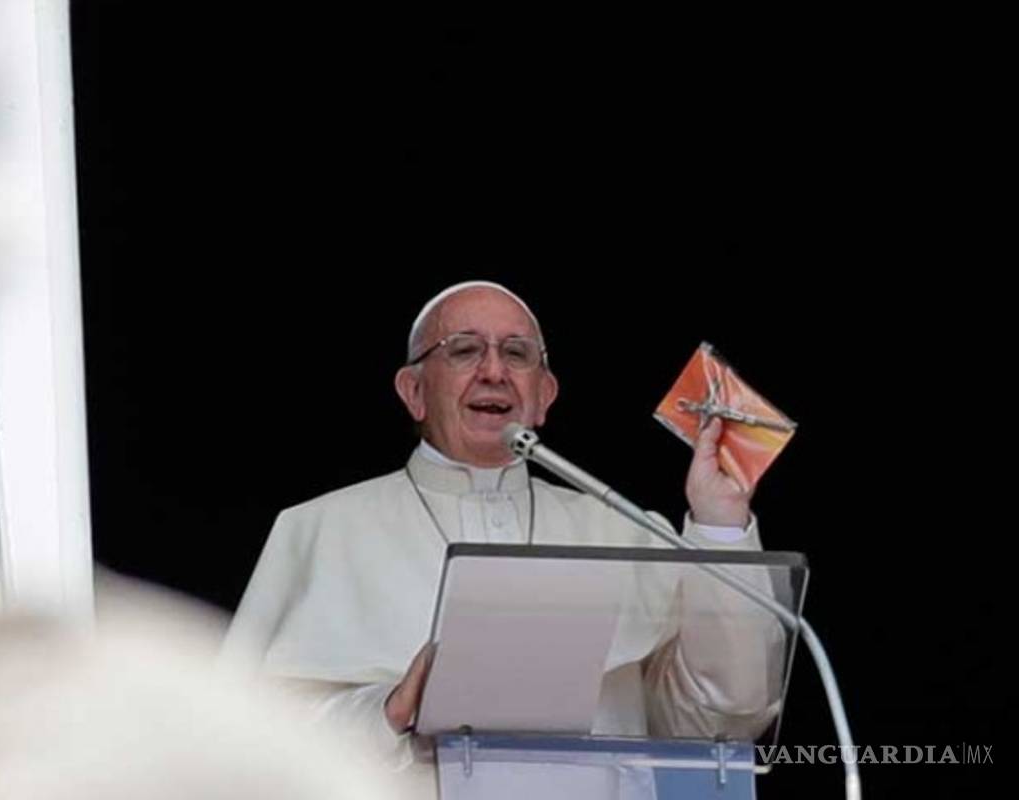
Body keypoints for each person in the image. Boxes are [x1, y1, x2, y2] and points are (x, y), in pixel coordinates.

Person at [224, 281, 784, 789]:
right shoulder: (321, 530)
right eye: (464, 350)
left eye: (516, 354)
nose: (494, 371)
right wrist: (392, 709)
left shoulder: (621, 529)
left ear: (544, 395)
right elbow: (243, 734)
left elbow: (723, 718)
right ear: (413, 391)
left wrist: (719, 524)